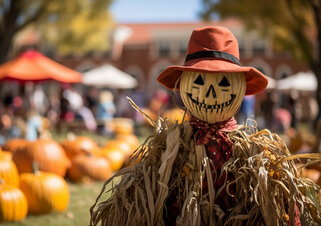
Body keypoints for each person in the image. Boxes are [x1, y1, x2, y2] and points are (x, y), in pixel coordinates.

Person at [91, 27, 321, 225]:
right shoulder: (169, 149)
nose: (210, 93)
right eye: (199, 80)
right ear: (183, 87)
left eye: (223, 82)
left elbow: (282, 210)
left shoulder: (255, 154)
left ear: (240, 89)